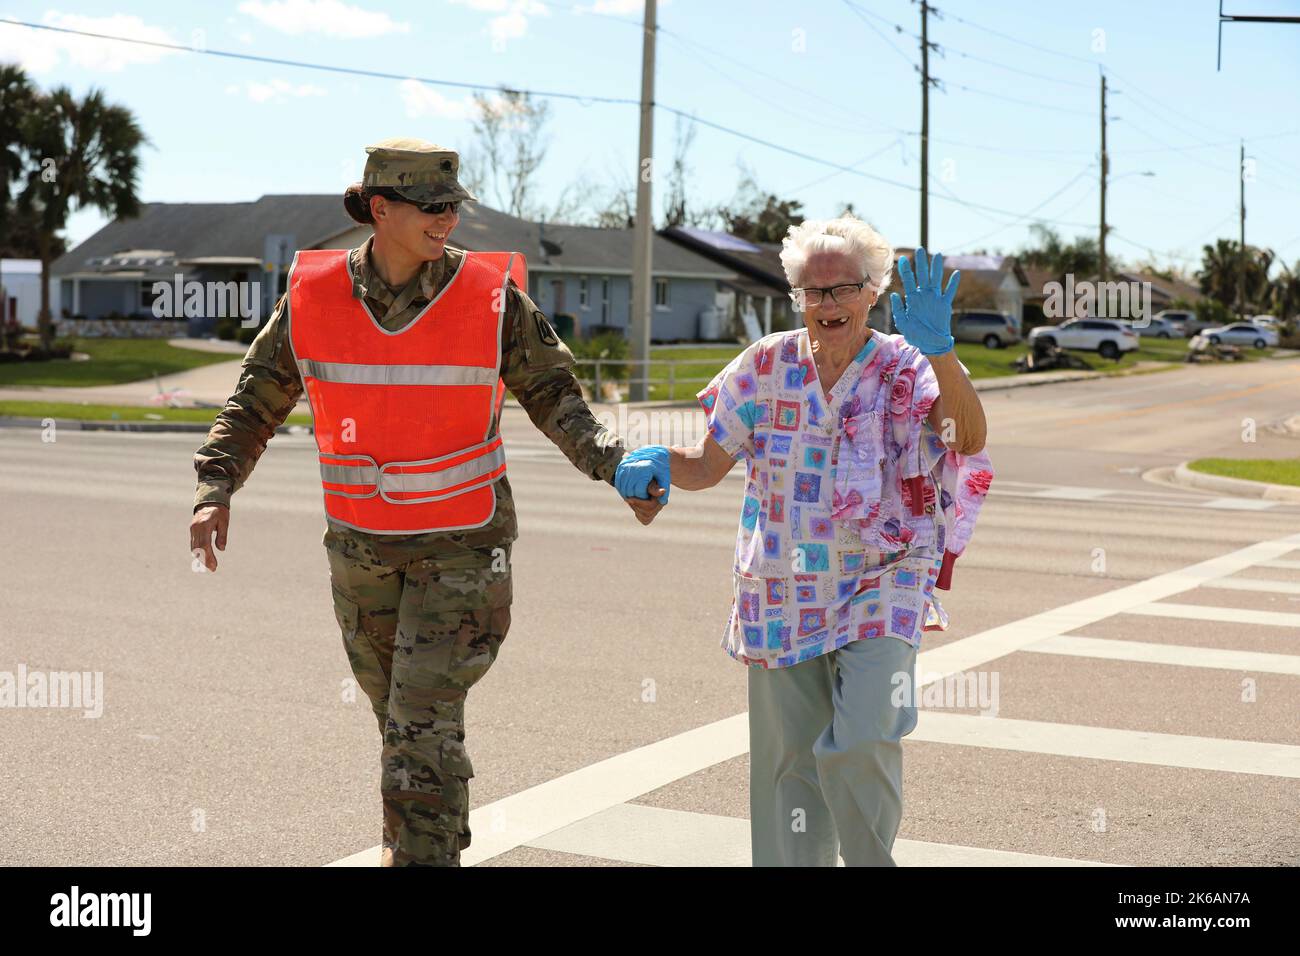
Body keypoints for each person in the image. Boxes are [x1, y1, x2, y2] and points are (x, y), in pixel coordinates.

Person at [188, 138, 665, 866]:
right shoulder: (312, 297)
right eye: (432, 207)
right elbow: (256, 400)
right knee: (400, 725)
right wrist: (215, 486)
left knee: (421, 724)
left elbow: (557, 399)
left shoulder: (491, 297)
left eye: (453, 207)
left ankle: (420, 856)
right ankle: (414, 842)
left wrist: (614, 464)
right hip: (360, 552)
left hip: (464, 550)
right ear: (381, 210)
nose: (448, 220)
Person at [619, 215, 993, 866]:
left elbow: (968, 436)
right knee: (790, 767)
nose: (829, 304)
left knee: (861, 736)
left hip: (886, 575)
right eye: (813, 291)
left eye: (845, 288)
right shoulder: (764, 364)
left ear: (873, 292)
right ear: (796, 296)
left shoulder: (905, 366)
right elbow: (708, 465)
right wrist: (651, 459)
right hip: (782, 586)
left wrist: (942, 351)